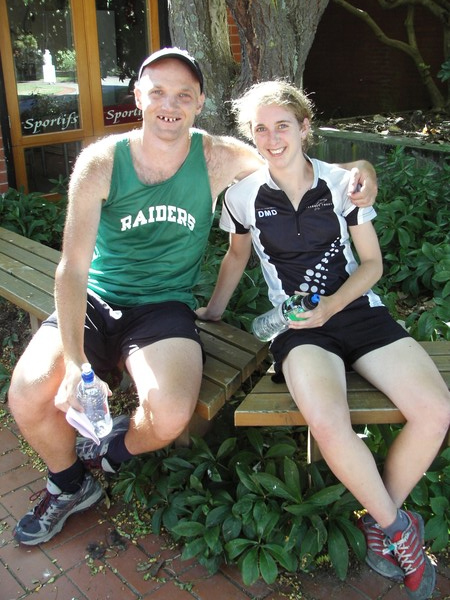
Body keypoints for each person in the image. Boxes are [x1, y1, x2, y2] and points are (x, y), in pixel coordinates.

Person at [7, 48, 377, 547]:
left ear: (199, 102)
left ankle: (114, 451)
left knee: (171, 414)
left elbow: (307, 162)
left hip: (164, 306)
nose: (169, 104)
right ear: (137, 96)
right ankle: (69, 484)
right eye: (157, 91)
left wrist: (362, 168)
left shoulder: (217, 156)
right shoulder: (101, 163)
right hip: (97, 297)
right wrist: (74, 363)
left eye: (184, 94)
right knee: (28, 393)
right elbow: (72, 268)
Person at [196, 80, 450, 600]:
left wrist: (332, 305)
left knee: (436, 411)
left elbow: (374, 264)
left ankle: (382, 519)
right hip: (297, 330)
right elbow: (237, 257)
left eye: (283, 126)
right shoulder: (242, 196)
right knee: (328, 421)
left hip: (355, 311)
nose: (272, 138)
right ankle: (401, 531)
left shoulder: (343, 184)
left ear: (305, 127)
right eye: (260, 129)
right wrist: (214, 312)